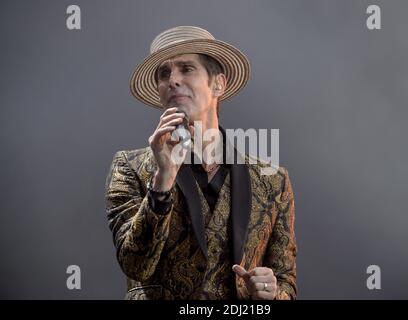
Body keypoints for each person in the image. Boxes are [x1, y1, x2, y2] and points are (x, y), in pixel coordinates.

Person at [105, 26, 297, 300]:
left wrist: (271, 293)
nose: (173, 80)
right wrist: (162, 180)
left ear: (218, 84)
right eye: (164, 73)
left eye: (186, 69)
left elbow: (285, 280)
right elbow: (136, 265)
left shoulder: (273, 179)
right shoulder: (130, 167)